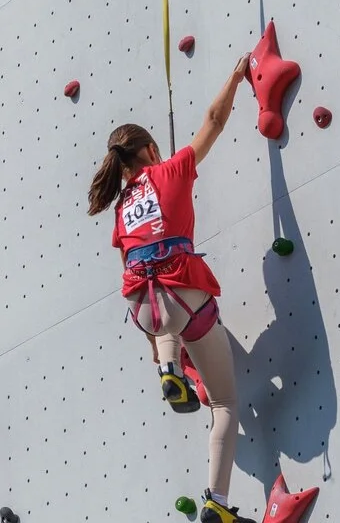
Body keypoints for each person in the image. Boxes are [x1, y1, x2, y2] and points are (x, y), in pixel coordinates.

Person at [86, 55, 257, 523]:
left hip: (144, 304)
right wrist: (236, 76)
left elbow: (129, 269)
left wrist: (154, 348)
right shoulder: (172, 169)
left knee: (164, 319)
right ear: (151, 148)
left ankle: (169, 367)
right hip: (181, 290)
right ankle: (216, 504)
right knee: (225, 403)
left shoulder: (122, 208)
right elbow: (214, 121)